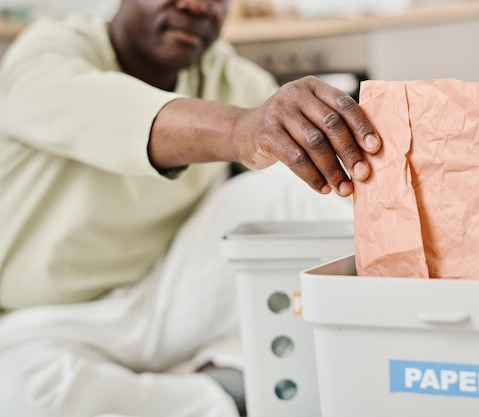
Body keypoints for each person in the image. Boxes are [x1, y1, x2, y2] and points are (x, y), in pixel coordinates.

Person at [0, 0, 382, 416]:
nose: (196, 5)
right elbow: (112, 110)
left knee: (298, 182)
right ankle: (218, 389)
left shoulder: (225, 75)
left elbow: (294, 135)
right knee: (19, 392)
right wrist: (242, 128)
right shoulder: (48, 51)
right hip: (40, 320)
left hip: (166, 292)